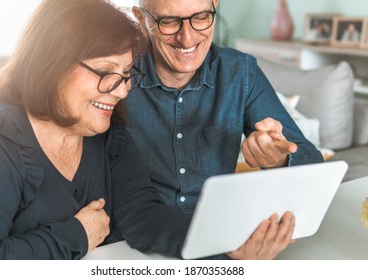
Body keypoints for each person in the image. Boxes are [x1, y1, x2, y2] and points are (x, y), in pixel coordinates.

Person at [0, 0, 194, 259]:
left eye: (126, 73)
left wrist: (227, 242)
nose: (122, 90)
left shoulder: (110, 136)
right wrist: (77, 235)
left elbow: (144, 218)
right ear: (51, 63)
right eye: (105, 71)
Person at [123, 0, 323, 259]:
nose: (187, 38)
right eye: (169, 21)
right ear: (141, 19)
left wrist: (279, 159)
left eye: (201, 16)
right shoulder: (119, 76)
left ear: (215, 6)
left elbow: (313, 165)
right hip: (135, 248)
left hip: (221, 240)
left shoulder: (241, 72)